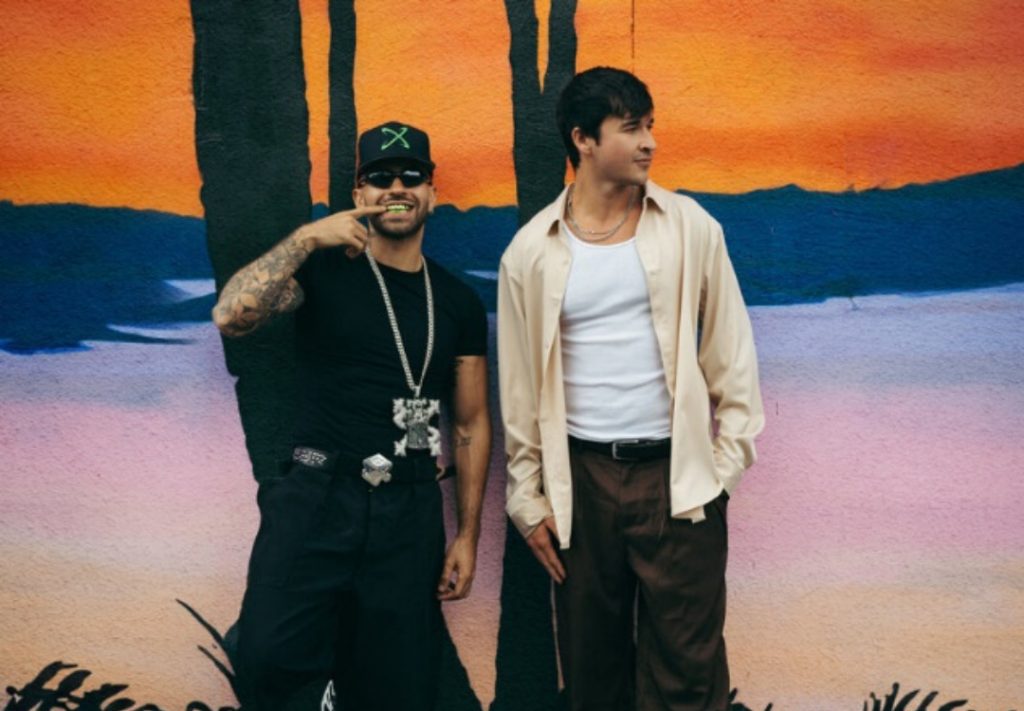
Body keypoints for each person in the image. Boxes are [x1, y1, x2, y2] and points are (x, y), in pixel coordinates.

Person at [497, 67, 764, 710]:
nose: (650, 142)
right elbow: (519, 390)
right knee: (593, 673)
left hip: (679, 479)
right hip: (581, 482)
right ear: (584, 139)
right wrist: (527, 497)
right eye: (632, 128)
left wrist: (722, 473)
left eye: (650, 126)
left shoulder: (690, 226)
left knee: (689, 674)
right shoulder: (531, 252)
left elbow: (731, 356)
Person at [212, 121, 491, 711]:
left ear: (432, 192)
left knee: (398, 686)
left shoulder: (458, 302)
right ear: (359, 193)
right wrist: (307, 237)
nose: (398, 187)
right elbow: (231, 316)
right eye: (381, 177)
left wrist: (467, 535)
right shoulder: (320, 272)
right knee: (266, 656)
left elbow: (468, 423)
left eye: (412, 175)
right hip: (318, 495)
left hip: (408, 510)